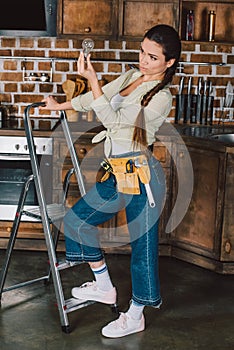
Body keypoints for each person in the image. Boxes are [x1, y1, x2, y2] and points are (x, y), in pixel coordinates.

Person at [40, 24, 181, 338]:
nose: (144, 60)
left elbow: (119, 127)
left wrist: (93, 80)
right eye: (143, 52)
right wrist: (60, 106)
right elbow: (96, 98)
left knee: (142, 250)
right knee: (76, 221)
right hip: (116, 174)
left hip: (143, 179)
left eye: (153, 57)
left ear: (169, 62)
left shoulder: (162, 99)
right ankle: (104, 287)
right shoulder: (131, 77)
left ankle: (135, 315)